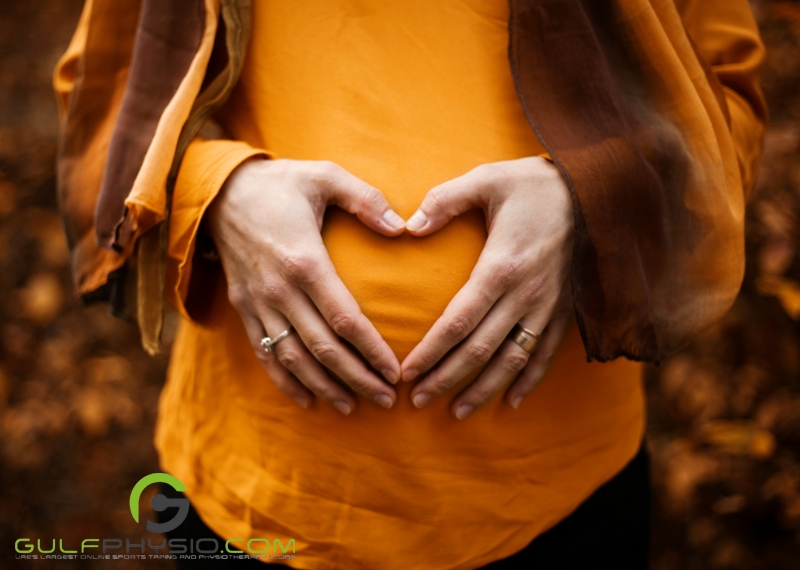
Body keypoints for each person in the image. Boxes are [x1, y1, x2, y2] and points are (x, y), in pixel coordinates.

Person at [54, 0, 766, 568]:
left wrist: (590, 198)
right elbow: (106, 97)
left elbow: (723, 108)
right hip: (260, 499)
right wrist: (215, 193)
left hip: (557, 497)